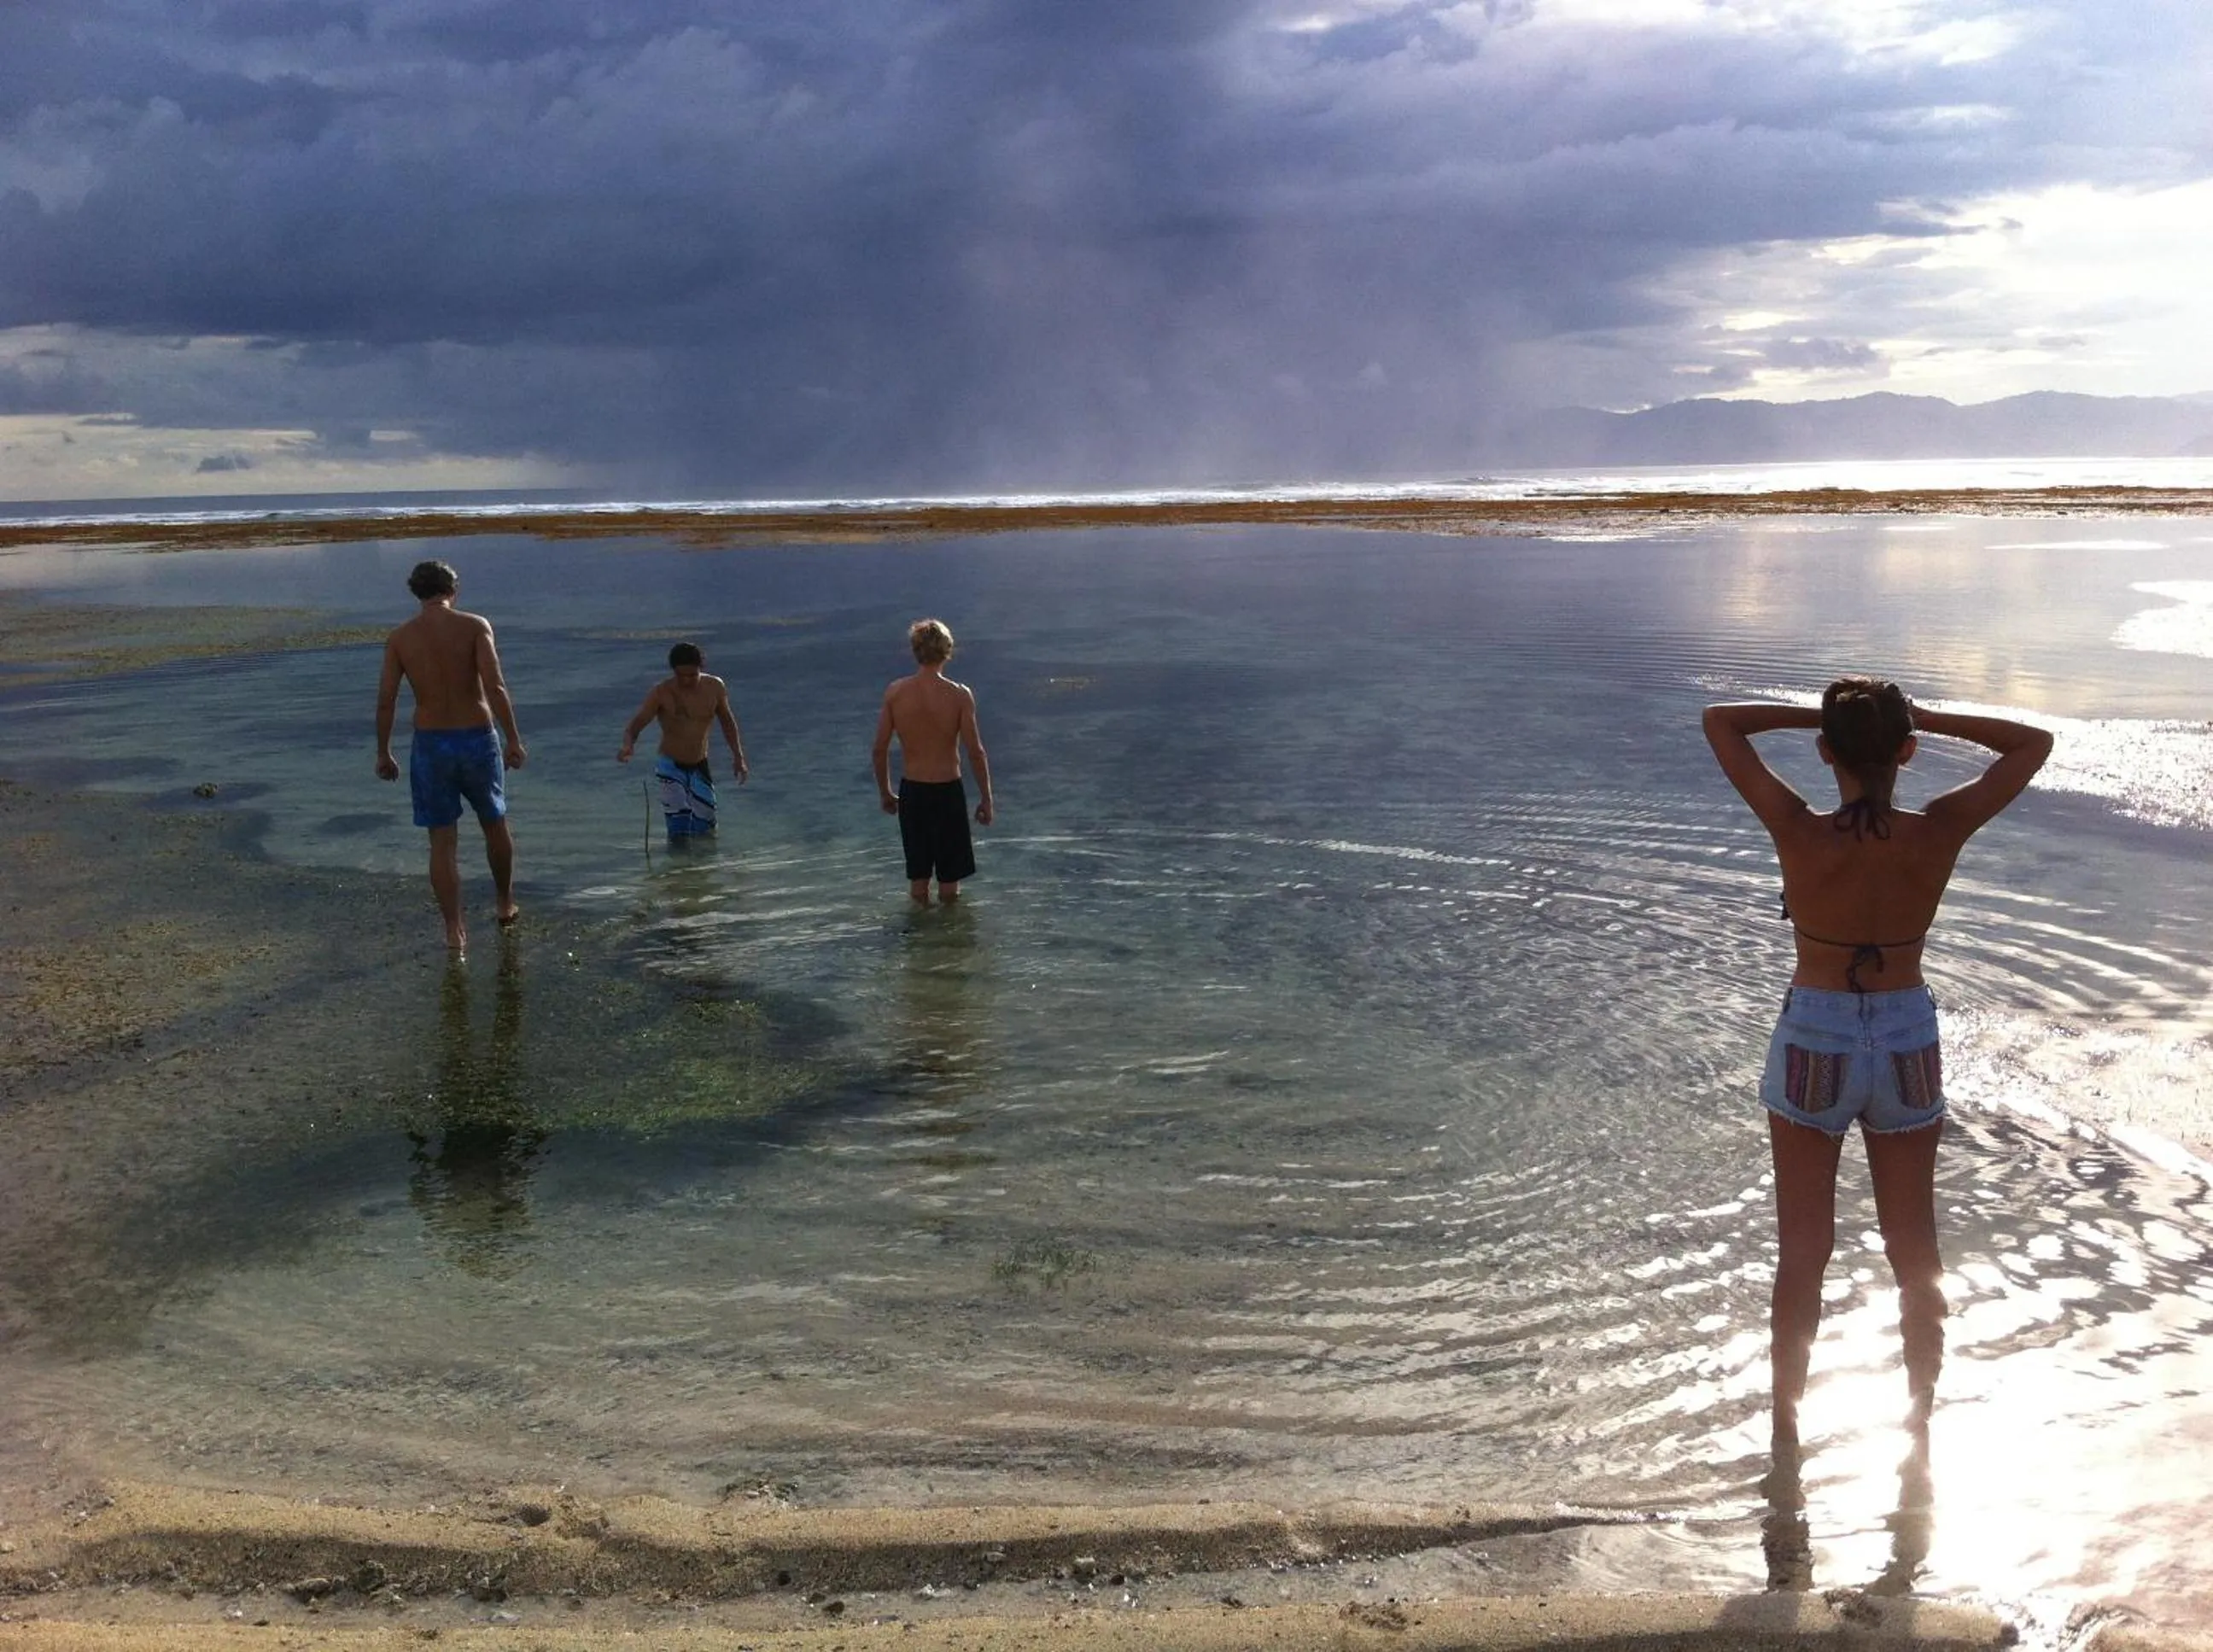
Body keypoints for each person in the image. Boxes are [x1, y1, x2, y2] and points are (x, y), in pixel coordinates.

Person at [1702, 680, 2051, 1464]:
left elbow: (1721, 721)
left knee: (1804, 1249)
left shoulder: (1796, 829)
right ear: (1908, 753)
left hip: (1815, 1035)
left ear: (1827, 753)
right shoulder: (1941, 829)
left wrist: (1817, 717)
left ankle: (1786, 1428)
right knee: (1913, 1246)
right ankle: (1919, 1424)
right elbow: (2032, 745)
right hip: (1905, 1040)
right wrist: (1922, 717)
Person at [375, 559, 528, 952]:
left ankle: (454, 929)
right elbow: (494, 685)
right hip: (476, 737)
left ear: (417, 593)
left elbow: (386, 700)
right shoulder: (475, 626)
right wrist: (513, 739)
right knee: (494, 822)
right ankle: (505, 903)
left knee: (441, 842)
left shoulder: (401, 638)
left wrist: (384, 751)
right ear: (452, 591)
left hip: (431, 743)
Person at [873, 618, 995, 903]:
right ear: (947, 651)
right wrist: (987, 798)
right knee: (950, 886)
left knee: (918, 883)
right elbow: (975, 751)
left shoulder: (896, 692)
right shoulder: (959, 695)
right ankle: (950, 945)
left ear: (915, 651)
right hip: (947, 792)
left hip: (912, 793)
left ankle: (919, 943)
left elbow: (879, 749)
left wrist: (885, 792)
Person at [617, 641, 748, 838]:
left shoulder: (715, 687)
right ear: (673, 672)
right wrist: (628, 745)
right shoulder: (661, 692)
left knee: (707, 829)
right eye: (681, 676)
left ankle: (703, 868)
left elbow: (728, 722)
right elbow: (636, 725)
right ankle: (676, 868)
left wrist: (738, 757)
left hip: (699, 764)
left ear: (701, 669)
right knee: (679, 829)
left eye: (692, 675)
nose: (686, 681)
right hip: (670, 766)